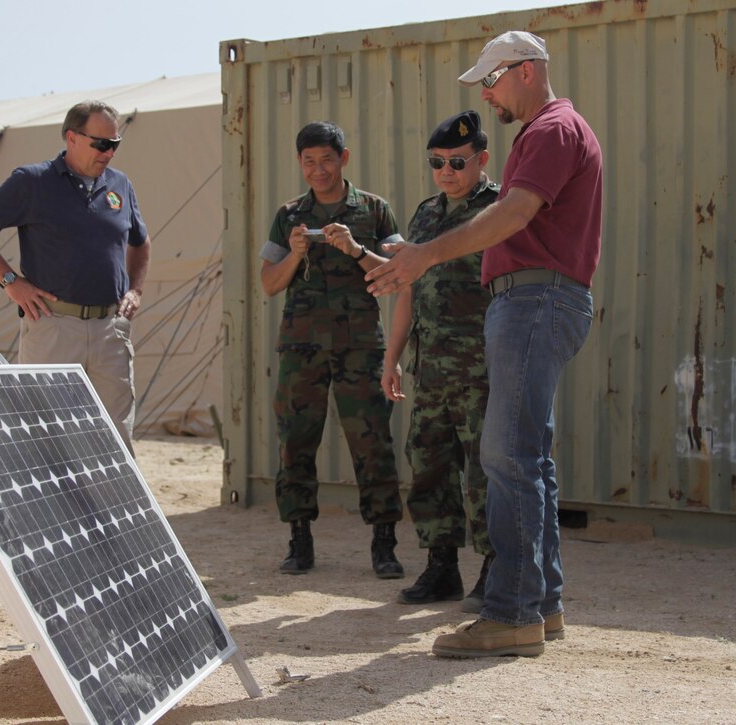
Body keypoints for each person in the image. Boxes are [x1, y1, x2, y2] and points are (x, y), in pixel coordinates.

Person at [366, 31, 602, 658]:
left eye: (491, 80)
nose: (486, 93)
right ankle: (541, 606)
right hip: (538, 301)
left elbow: (513, 214)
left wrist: (426, 254)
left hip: (533, 301)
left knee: (508, 458)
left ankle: (513, 612)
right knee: (530, 459)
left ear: (524, 71)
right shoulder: (553, 129)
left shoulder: (550, 130)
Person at [0, 101, 150, 454]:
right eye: (101, 144)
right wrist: (10, 281)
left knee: (115, 440)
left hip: (110, 331)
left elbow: (140, 243)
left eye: (115, 144)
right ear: (72, 137)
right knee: (44, 440)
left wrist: (135, 290)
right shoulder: (33, 182)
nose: (109, 153)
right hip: (53, 326)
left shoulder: (120, 185)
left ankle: (108, 511)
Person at [260, 121, 405, 578]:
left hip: (359, 346)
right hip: (301, 349)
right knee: (296, 442)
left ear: (343, 159)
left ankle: (384, 543)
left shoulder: (374, 210)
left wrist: (356, 248)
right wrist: (296, 253)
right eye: (308, 162)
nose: (317, 170)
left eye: (326, 160)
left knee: (372, 444)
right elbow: (268, 283)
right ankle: (299, 540)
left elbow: (399, 273)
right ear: (299, 163)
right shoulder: (289, 215)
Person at [382, 110, 498, 610]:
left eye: (457, 161)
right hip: (431, 369)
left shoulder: (499, 209)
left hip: (482, 368)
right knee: (428, 464)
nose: (447, 171)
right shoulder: (426, 214)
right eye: (437, 162)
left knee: (484, 471)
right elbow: (407, 288)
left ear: (482, 160)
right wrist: (392, 358)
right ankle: (441, 567)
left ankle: (496, 568)